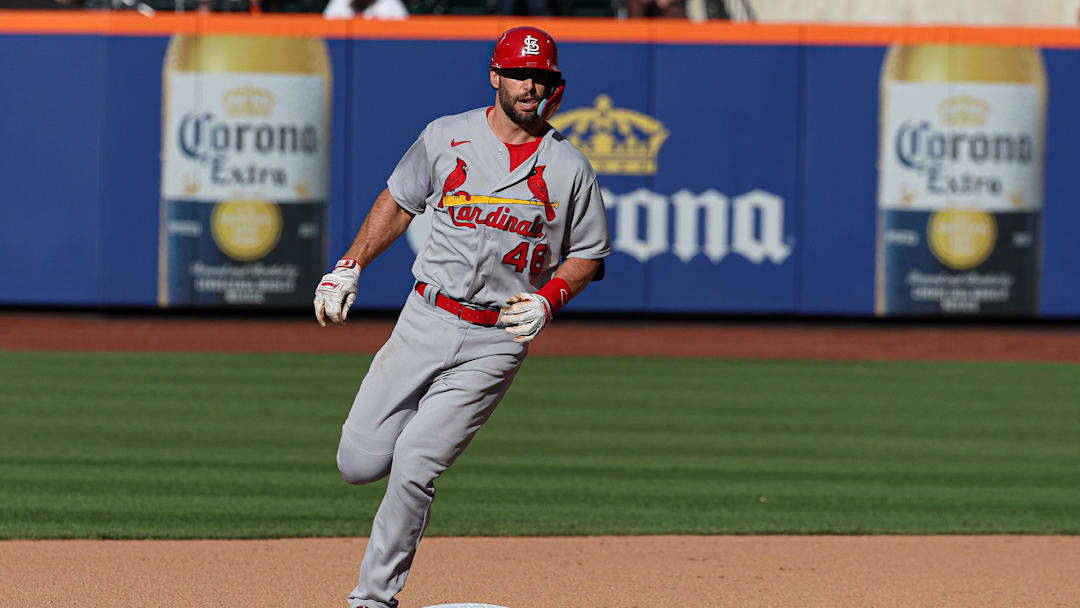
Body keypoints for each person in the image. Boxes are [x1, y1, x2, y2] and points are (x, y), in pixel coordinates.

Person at [313, 26, 611, 608]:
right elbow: (400, 201)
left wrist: (550, 299)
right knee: (358, 463)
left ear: (557, 86)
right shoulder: (447, 137)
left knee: (416, 463)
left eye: (542, 77)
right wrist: (350, 264)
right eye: (521, 74)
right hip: (425, 317)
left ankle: (372, 598)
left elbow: (588, 254)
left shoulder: (569, 168)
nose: (531, 85)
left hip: (495, 338)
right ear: (495, 76)